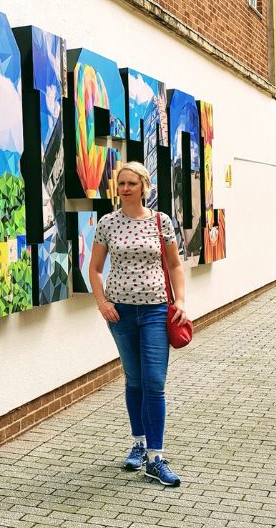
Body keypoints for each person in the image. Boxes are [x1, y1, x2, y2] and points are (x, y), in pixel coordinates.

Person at [89, 161, 187, 487]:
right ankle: (139, 444)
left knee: (154, 381)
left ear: (144, 186)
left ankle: (156, 459)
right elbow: (95, 269)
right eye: (122, 183)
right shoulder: (107, 223)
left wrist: (181, 302)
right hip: (121, 314)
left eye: (132, 183)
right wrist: (102, 303)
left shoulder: (161, 222)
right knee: (134, 380)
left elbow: (175, 265)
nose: (126, 188)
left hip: (157, 311)